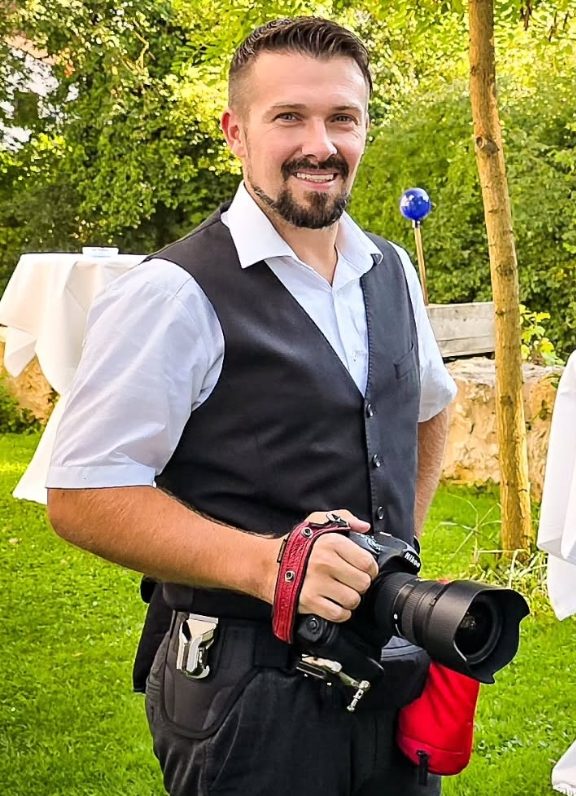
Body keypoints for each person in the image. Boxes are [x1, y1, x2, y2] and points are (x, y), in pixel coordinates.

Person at [46, 16, 456, 796]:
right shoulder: (173, 291)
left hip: (385, 664)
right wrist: (270, 567)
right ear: (235, 133)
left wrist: (398, 550)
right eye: (289, 117)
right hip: (245, 694)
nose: (320, 144)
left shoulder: (390, 269)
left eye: (342, 118)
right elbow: (82, 492)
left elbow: (431, 407)